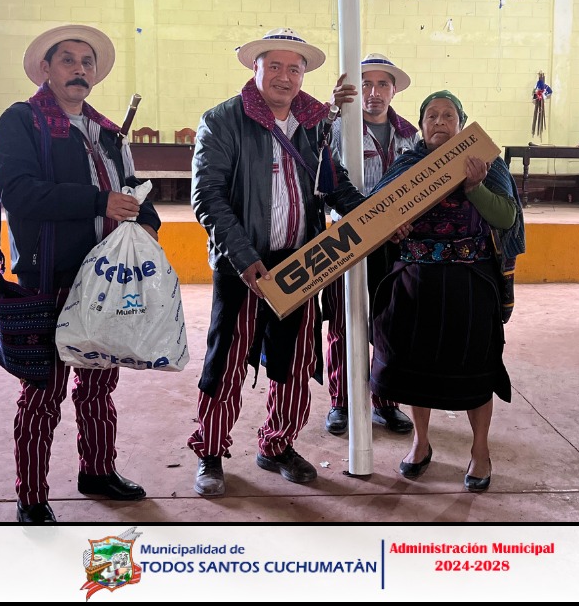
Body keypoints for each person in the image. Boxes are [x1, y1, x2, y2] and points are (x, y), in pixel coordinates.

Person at [187, 27, 368, 498]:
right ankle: (210, 451)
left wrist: (378, 215)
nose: (284, 77)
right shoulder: (222, 120)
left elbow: (333, 183)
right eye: (275, 67)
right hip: (244, 266)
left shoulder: (311, 124)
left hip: (301, 264)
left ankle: (277, 444)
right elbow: (208, 197)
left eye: (294, 69)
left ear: (303, 76)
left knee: (294, 362)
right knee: (226, 362)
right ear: (256, 69)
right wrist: (244, 258)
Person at [0, 24, 161, 523]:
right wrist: (97, 201)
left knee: (98, 385)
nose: (79, 69)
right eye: (68, 60)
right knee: (43, 392)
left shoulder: (108, 132)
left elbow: (133, 187)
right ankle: (31, 495)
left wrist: (148, 224)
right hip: (49, 277)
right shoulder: (21, 122)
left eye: (87, 62)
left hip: (106, 280)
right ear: (45, 69)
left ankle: (98, 471)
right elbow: (20, 192)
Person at [368, 91, 525, 491]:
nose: (439, 122)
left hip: (469, 285)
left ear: (461, 123)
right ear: (421, 126)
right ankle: (420, 443)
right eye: (431, 116)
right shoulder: (407, 166)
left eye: (448, 115)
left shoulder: (486, 163)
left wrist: (475, 187)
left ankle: (480, 451)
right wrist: (392, 227)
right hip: (415, 282)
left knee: (475, 370)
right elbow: (376, 216)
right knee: (415, 368)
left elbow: (506, 217)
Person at [320, 54, 420, 436]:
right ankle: (342, 401)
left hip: (395, 243)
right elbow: (324, 181)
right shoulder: (337, 129)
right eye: (365, 84)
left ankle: (385, 401)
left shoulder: (410, 136)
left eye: (382, 84)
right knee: (344, 321)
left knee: (389, 321)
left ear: (394, 91)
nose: (373, 92)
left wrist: (405, 221)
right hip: (345, 238)